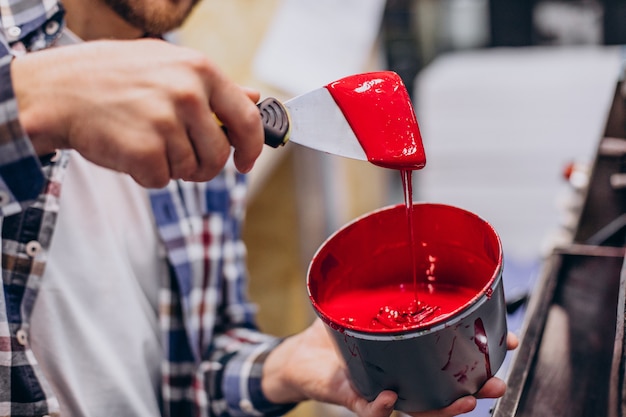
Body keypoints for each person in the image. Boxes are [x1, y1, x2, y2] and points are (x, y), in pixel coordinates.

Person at [0, 0, 519, 415]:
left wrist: (286, 365)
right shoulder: (17, 66)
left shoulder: (199, 105)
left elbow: (198, 368)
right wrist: (28, 102)